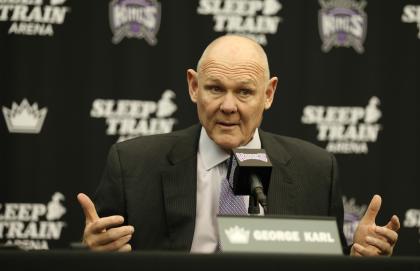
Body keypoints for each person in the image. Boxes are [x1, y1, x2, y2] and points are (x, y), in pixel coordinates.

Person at [77, 35, 399, 255]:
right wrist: (93, 252)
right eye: (215, 88)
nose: (228, 106)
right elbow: (103, 248)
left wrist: (357, 260)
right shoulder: (132, 163)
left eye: (244, 92)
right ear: (193, 87)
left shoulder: (316, 171)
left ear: (268, 94)